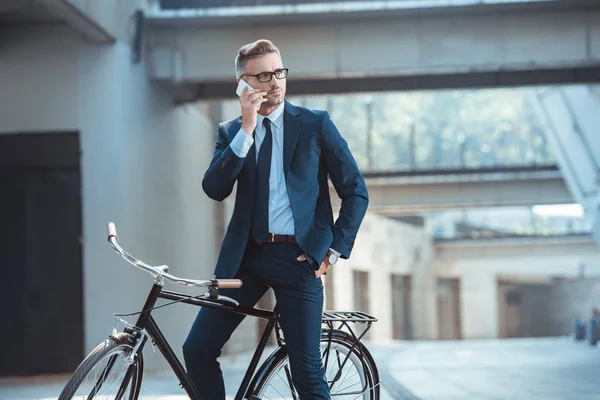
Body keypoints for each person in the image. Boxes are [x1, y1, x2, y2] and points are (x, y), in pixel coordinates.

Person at [182, 39, 369, 400]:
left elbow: (356, 190)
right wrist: (247, 129)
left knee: (307, 373)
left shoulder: (315, 124)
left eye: (279, 72)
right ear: (244, 84)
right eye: (264, 75)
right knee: (198, 349)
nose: (276, 82)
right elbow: (214, 188)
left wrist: (332, 251)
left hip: (299, 261)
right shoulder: (231, 132)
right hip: (245, 260)